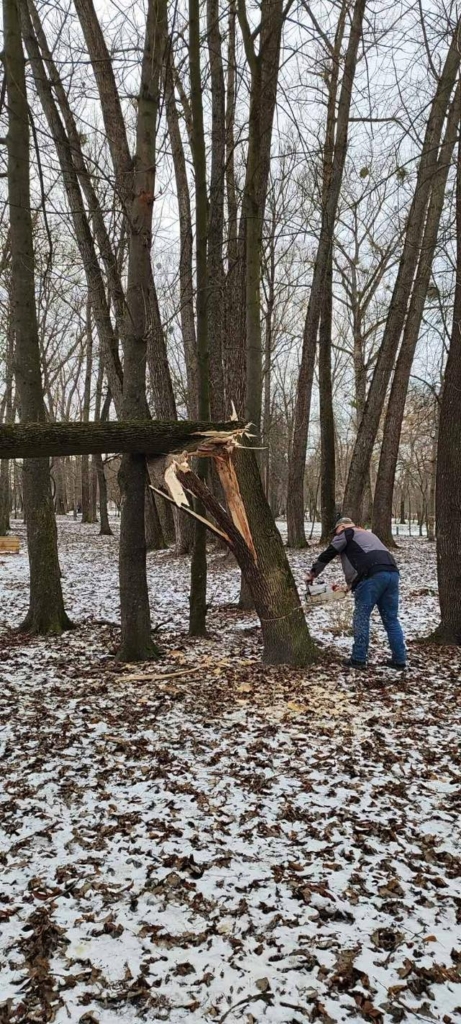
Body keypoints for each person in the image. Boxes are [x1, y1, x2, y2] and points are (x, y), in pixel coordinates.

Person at [306, 516, 407, 670]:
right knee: (391, 619)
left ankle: (358, 658)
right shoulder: (369, 535)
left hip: (372, 577)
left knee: (361, 617)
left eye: (336, 531)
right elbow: (364, 559)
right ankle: (400, 660)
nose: (336, 535)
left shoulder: (347, 533)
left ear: (342, 526)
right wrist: (348, 587)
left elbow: (329, 553)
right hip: (392, 573)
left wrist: (313, 573)